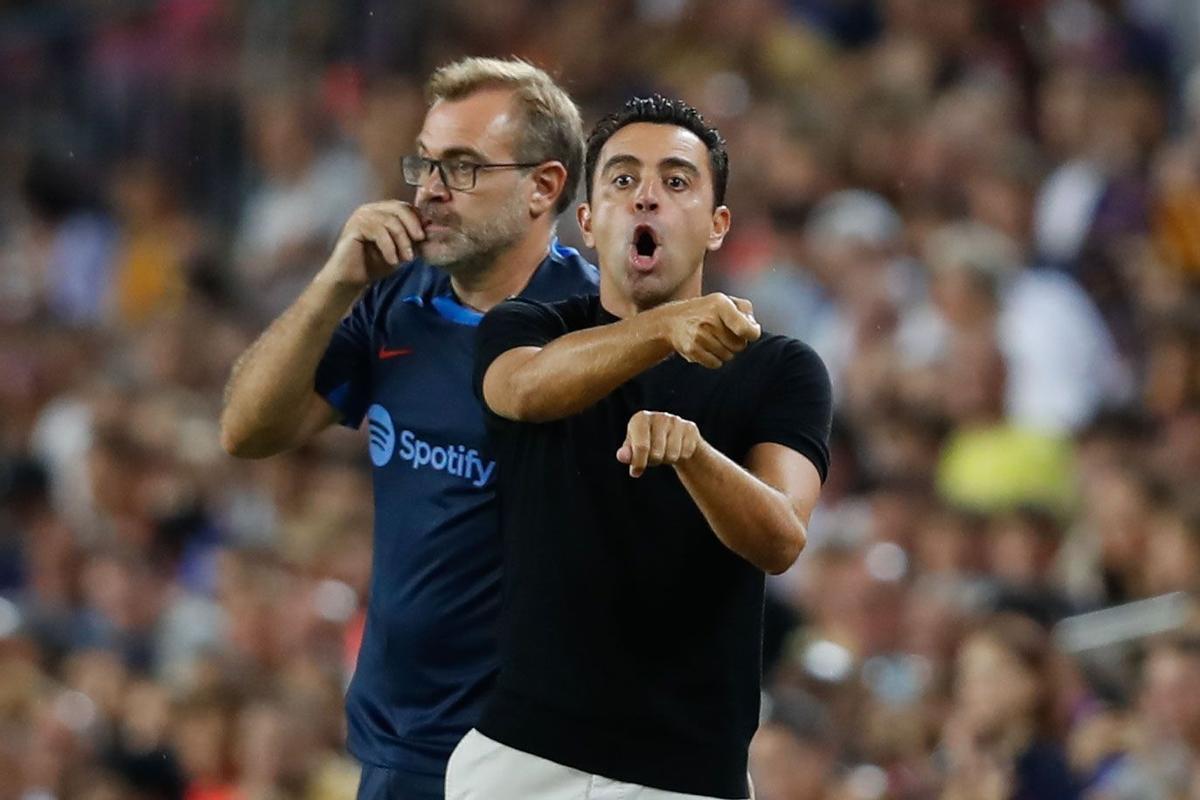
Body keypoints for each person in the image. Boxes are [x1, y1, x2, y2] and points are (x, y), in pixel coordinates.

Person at [219, 57, 598, 800]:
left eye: (460, 168)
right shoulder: (394, 295)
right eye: (424, 162)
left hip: (530, 758)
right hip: (396, 744)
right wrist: (334, 283)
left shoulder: (594, 330)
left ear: (543, 187)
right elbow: (247, 431)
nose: (428, 190)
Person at [454, 95, 833, 799]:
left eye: (677, 181)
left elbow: (781, 537)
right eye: (623, 180)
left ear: (719, 225)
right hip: (519, 758)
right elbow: (523, 391)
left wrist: (695, 456)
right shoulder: (526, 325)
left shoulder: (781, 367)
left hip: (685, 774)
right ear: (590, 221)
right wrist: (665, 330)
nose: (647, 198)